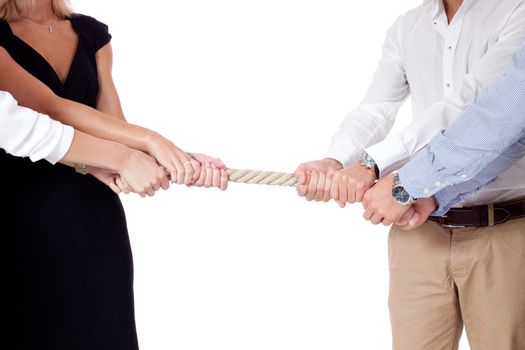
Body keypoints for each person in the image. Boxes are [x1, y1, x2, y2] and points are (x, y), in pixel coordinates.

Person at [295, 0, 525, 349]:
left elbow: (478, 106)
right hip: (417, 228)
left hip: (503, 232)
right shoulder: (407, 27)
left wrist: (376, 166)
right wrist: (338, 160)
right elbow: (376, 108)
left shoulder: (516, 12)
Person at [0, 1, 225, 349]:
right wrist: (151, 141)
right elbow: (46, 107)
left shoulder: (91, 34)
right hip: (19, 219)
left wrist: (177, 160)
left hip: (94, 221)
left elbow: (115, 126)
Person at [0, 90, 169, 196]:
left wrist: (171, 160)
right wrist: (123, 158)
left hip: (91, 191)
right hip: (22, 200)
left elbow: (117, 124)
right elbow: (19, 123)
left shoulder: (93, 36)